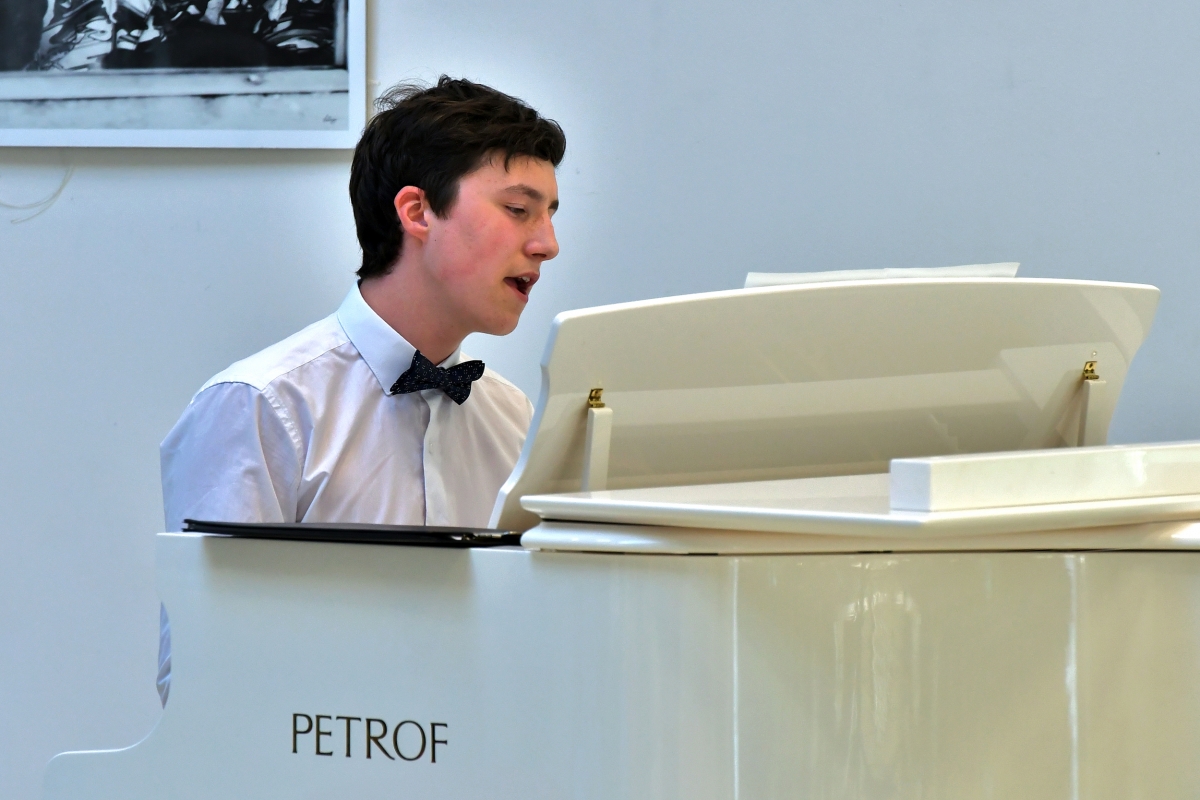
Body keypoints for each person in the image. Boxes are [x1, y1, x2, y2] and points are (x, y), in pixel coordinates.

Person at [154, 76, 564, 704]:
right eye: (518, 210)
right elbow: (204, 677)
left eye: (551, 214)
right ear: (417, 212)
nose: (547, 245)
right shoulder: (261, 405)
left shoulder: (514, 416)